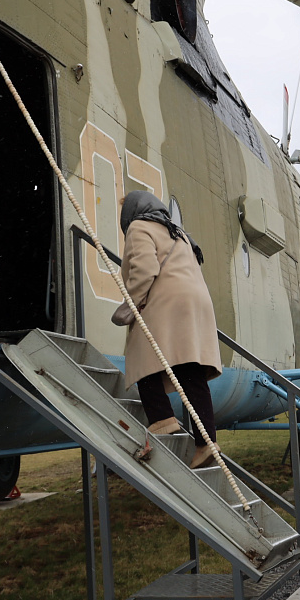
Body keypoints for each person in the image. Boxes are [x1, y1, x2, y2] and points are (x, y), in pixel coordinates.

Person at [115, 191, 220, 468]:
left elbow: (144, 269)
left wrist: (130, 304)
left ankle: (162, 419)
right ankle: (206, 443)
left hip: (167, 303)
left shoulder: (139, 226)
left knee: (142, 358)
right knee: (190, 371)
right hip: (196, 305)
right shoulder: (178, 233)